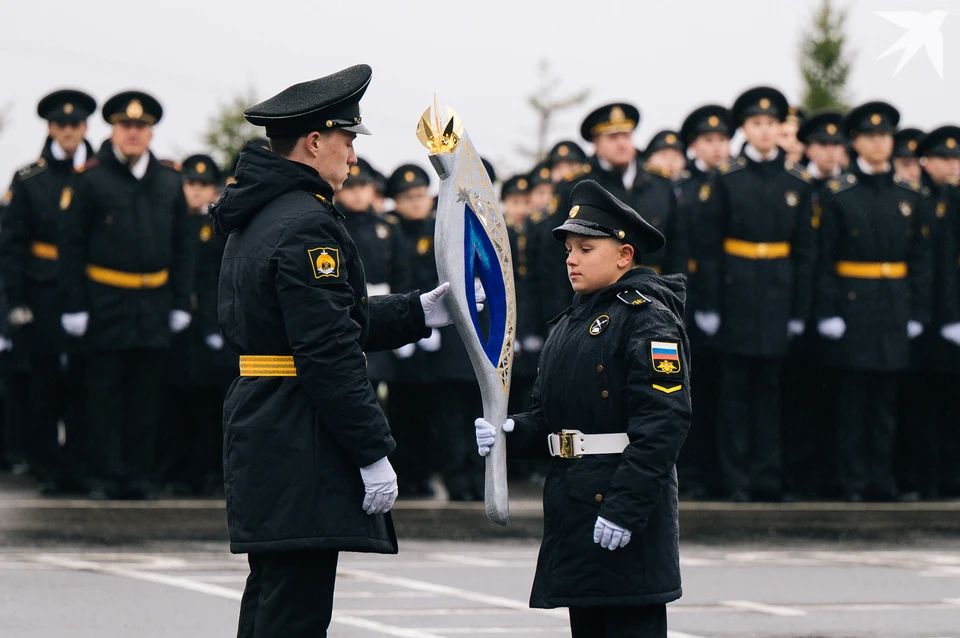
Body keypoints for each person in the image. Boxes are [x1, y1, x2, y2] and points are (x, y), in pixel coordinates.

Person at [211, 64, 454, 637]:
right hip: (301, 431)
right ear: (315, 141)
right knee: (293, 610)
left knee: (271, 598)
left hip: (267, 416)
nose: (352, 157)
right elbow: (328, 353)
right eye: (346, 141)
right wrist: (372, 451)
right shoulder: (306, 226)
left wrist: (418, 310)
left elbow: (325, 323)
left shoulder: (265, 215)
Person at [476, 179, 691, 638]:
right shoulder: (573, 319)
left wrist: (626, 507)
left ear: (624, 255)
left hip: (620, 506)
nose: (571, 258)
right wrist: (512, 431)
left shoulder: (646, 317)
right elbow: (553, 415)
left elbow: (663, 423)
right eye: (569, 247)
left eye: (586, 247)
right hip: (576, 506)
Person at [59, 90, 197, 500]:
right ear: (113, 131)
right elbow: (71, 246)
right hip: (105, 301)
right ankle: (107, 473)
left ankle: (140, 474)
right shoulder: (91, 178)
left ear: (151, 132)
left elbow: (184, 246)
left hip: (153, 303)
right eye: (125, 126)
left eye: (141, 127)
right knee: (104, 393)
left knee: (146, 393)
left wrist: (180, 301)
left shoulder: (171, 179)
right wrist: (74, 304)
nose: (133, 134)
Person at [696, 86, 818, 502]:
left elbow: (805, 252)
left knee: (771, 392)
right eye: (756, 124)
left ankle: (768, 476)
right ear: (745, 129)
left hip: (778, 295)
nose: (764, 131)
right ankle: (736, 478)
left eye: (771, 124)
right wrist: (709, 304)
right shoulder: (726, 179)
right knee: (734, 393)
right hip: (736, 293)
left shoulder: (797, 183)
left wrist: (799, 308)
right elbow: (708, 248)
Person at [814, 101, 932, 502]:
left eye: (885, 136)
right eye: (870, 136)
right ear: (856, 143)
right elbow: (824, 258)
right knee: (852, 399)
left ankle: (882, 479)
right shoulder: (837, 193)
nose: (879, 142)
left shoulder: (910, 195)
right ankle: (852, 481)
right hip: (853, 304)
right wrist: (829, 310)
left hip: (893, 303)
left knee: (886, 399)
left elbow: (920, 258)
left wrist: (917, 310)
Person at [0, 89, 96, 493]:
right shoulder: (28, 179)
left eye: (75, 124)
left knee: (87, 384)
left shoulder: (97, 173)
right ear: (51, 128)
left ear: (85, 127)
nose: (68, 131)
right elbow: (11, 245)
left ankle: (81, 463)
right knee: (43, 385)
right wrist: (16, 302)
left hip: (92, 292)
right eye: (61, 125)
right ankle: (47, 466)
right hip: (43, 293)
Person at [672, 104, 733, 499]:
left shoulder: (732, 182)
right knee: (682, 389)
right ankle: (688, 470)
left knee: (718, 391)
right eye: (709, 140)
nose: (717, 148)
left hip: (728, 297)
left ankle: (716, 470)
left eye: (723, 139)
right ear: (694, 145)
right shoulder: (680, 187)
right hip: (684, 296)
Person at [158, 154, 226, 494]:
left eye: (203, 185)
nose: (196, 192)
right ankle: (176, 469)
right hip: (177, 324)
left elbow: (217, 280)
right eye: (190, 184)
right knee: (175, 401)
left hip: (208, 326)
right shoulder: (170, 220)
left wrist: (215, 324)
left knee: (207, 402)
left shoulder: (220, 226)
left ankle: (204, 468)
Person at [899, 126, 960, 499]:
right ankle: (925, 477)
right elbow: (930, 266)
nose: (951, 165)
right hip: (931, 315)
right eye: (943, 159)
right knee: (925, 402)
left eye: (956, 158)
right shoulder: (920, 200)